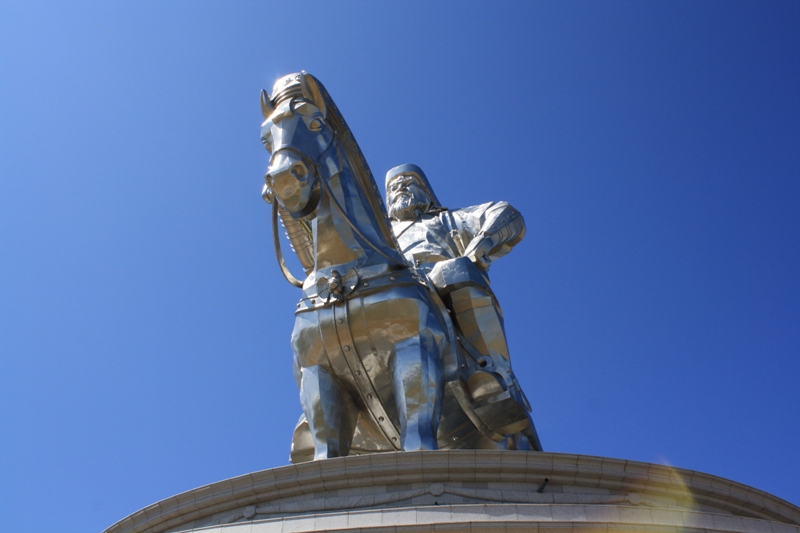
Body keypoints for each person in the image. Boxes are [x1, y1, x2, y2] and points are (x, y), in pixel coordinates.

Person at [385, 164, 541, 451]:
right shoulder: (378, 233)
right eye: (393, 187)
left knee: (454, 269)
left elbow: (505, 213)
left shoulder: (446, 220)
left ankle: (491, 376)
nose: (400, 189)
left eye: (408, 181)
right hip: (386, 291)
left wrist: (483, 242)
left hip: (434, 282)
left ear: (426, 190)